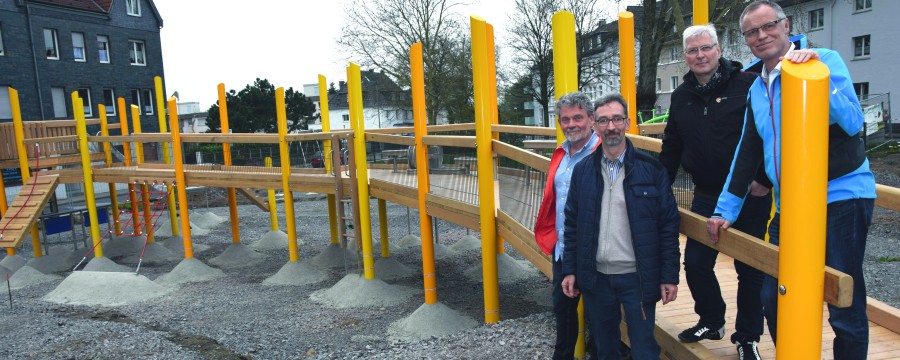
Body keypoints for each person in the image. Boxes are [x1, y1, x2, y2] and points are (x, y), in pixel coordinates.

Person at [707, 1, 877, 359]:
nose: (761, 35)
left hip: (841, 196)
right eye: (752, 32)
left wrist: (816, 76)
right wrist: (726, 209)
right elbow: (747, 151)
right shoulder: (757, 87)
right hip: (791, 204)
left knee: (843, 300)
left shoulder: (824, 61)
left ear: (786, 26)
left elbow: (851, 121)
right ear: (746, 41)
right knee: (775, 295)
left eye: (768, 26)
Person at [659, 24, 771, 360]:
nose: (700, 55)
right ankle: (712, 320)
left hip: (749, 194)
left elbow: (772, 134)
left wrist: (764, 178)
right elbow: (671, 147)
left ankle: (747, 337)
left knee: (749, 270)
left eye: (706, 48)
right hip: (707, 193)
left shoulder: (749, 85)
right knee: (695, 262)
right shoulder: (681, 97)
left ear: (718, 50)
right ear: (685, 58)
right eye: (692, 51)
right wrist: (658, 189)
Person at [561, 93, 681, 359]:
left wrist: (669, 275)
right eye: (604, 120)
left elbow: (668, 226)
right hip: (597, 277)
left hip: (637, 277)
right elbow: (571, 224)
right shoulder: (583, 172)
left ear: (627, 123)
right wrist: (570, 269)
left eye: (617, 119)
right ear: (594, 125)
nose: (611, 126)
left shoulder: (652, 170)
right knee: (604, 350)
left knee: (644, 349)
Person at [534, 91, 600, 359]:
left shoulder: (603, 151)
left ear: (591, 119)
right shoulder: (560, 152)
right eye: (565, 119)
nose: (571, 124)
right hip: (563, 248)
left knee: (600, 316)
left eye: (578, 118)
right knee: (563, 309)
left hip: (596, 250)